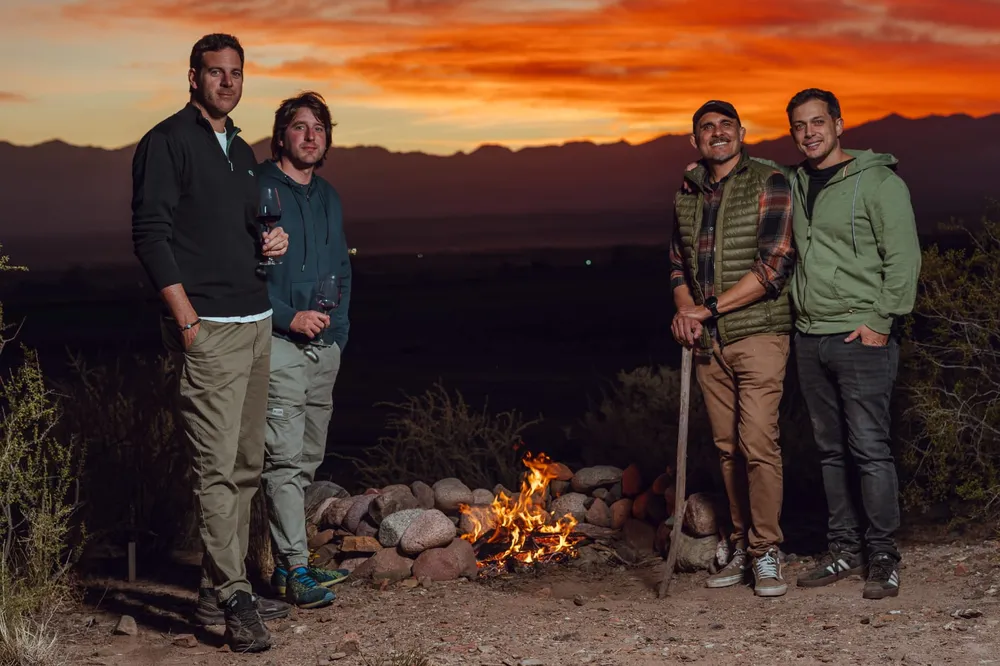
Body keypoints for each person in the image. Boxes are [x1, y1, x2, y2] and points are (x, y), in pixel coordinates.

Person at [131, 33, 290, 653]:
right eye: (216, 72)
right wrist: (186, 321)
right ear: (193, 77)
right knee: (216, 471)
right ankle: (235, 597)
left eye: (236, 73)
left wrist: (270, 241)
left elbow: (243, 227)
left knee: (246, 466)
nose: (227, 82)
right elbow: (150, 235)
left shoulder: (242, 150)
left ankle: (213, 589)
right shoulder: (167, 141)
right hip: (211, 332)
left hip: (256, 324)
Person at [782, 89, 921, 599]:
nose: (810, 133)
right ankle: (843, 548)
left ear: (839, 124)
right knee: (830, 452)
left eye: (818, 122)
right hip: (810, 335)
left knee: (869, 449)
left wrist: (881, 320)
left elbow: (903, 257)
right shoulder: (795, 182)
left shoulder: (880, 182)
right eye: (800, 126)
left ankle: (883, 555)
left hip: (860, 335)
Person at [669, 100, 796, 597]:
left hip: (758, 334)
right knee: (728, 450)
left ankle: (767, 550)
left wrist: (708, 309)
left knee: (758, 443)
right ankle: (742, 545)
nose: (717, 133)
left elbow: (774, 266)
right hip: (709, 344)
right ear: (695, 140)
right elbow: (677, 264)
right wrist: (685, 310)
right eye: (707, 127)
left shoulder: (768, 180)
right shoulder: (687, 194)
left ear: (742, 132)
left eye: (726, 125)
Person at [257, 91, 353, 609]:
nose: (311, 135)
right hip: (279, 343)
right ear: (281, 136)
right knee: (283, 459)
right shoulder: (256, 188)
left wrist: (339, 333)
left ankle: (282, 567)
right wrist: (286, 317)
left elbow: (341, 268)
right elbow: (236, 272)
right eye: (300, 126)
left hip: (324, 347)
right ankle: (296, 569)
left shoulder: (329, 196)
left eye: (319, 127)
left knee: (308, 459)